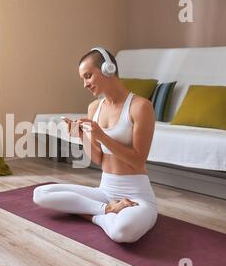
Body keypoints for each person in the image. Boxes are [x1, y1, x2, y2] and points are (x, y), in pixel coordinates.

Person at [33, 47, 158, 243]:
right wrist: (80, 135)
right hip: (105, 191)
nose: (85, 84)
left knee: (122, 232)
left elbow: (138, 160)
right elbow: (98, 158)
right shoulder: (94, 108)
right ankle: (105, 211)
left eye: (88, 76)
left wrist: (101, 136)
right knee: (40, 193)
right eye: (83, 78)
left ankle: (90, 214)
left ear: (108, 69)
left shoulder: (140, 107)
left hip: (137, 195)